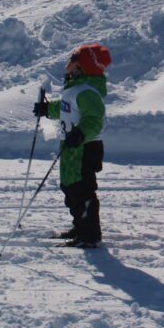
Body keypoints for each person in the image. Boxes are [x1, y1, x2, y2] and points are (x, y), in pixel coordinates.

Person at [34, 44, 111, 248]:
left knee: (82, 190)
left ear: (82, 66)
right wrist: (47, 108)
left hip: (85, 146)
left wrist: (81, 133)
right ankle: (80, 227)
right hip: (71, 146)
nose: (68, 62)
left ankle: (89, 235)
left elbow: (95, 120)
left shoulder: (87, 92)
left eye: (73, 58)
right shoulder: (74, 89)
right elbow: (65, 108)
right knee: (70, 188)